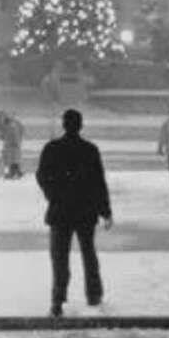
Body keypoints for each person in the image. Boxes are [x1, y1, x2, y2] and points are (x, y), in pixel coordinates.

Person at [35, 108, 112, 318]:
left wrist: (53, 195)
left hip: (60, 210)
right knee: (89, 253)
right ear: (80, 125)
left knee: (59, 258)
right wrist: (105, 210)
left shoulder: (52, 149)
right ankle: (94, 294)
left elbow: (42, 176)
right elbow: (98, 182)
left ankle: (58, 299)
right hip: (85, 210)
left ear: (63, 125)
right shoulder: (90, 150)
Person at [0, 109, 25, 179]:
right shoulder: (15, 124)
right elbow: (21, 131)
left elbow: (3, 133)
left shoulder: (11, 125)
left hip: (12, 146)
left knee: (11, 159)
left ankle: (14, 173)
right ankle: (15, 172)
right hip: (14, 146)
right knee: (13, 159)